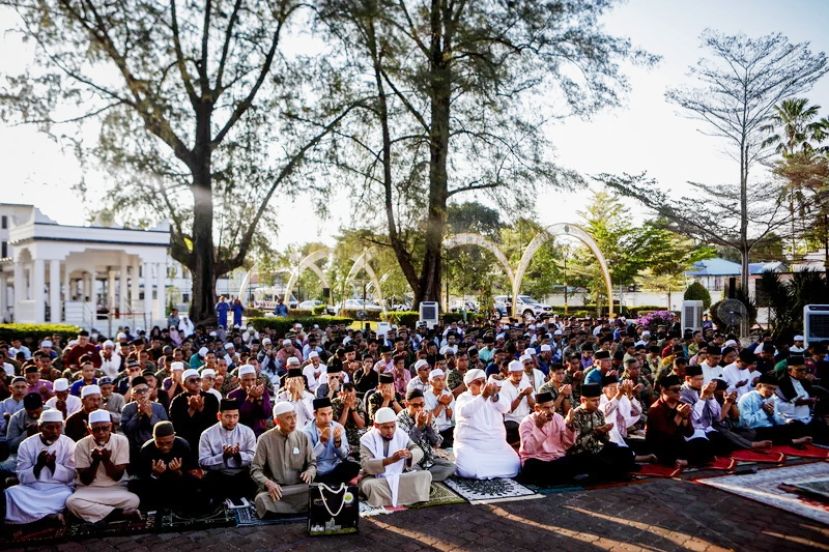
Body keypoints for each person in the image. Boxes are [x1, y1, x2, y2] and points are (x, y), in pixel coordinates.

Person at [65, 409, 139, 523]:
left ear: (111, 426)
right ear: (89, 430)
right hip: (89, 491)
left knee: (134, 500)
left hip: (115, 489)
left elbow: (117, 476)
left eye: (105, 428)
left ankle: (96, 514)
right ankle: (118, 514)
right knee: (71, 502)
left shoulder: (121, 441)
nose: (101, 432)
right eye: (96, 429)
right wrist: (95, 462)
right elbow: (86, 480)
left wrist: (105, 460)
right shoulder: (80, 445)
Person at [3, 410, 76, 525]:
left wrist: (53, 466)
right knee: (11, 492)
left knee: (68, 497)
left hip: (58, 490)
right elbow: (22, 477)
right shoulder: (26, 444)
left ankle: (33, 519)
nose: (55, 431)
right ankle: (46, 518)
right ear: (40, 427)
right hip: (32, 489)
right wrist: (39, 465)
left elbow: (72, 475)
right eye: (50, 428)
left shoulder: (69, 444)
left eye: (58, 427)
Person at [250, 402, 316, 518]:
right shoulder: (264, 439)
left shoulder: (303, 437)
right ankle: (299, 509)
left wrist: (310, 471)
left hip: (298, 490)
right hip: (276, 492)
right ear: (277, 421)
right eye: (288, 418)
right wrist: (268, 483)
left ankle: (280, 511)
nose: (293, 421)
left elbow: (312, 464)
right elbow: (255, 470)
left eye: (294, 416)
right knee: (261, 500)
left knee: (319, 490)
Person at [453, 369, 520, 479]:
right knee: (467, 470)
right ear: (469, 384)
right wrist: (483, 396)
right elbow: (465, 412)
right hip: (470, 444)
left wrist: (494, 396)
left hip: (495, 444)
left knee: (515, 464)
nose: (482, 385)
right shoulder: (464, 397)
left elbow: (506, 407)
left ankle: (487, 471)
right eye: (478, 382)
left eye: (484, 382)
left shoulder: (493, 396)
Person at [359, 407, 432, 507]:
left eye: (393, 426)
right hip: (375, 478)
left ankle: (394, 496)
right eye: (386, 427)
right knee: (370, 486)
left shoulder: (400, 434)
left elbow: (418, 451)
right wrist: (391, 460)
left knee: (426, 475)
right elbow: (366, 465)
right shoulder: (367, 440)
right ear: (376, 425)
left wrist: (410, 454)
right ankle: (411, 494)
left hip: (398, 475)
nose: (390, 430)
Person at [566, 383, 637, 481]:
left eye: (598, 400)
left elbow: (605, 440)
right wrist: (596, 433)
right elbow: (576, 443)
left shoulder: (599, 413)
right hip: (581, 453)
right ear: (583, 400)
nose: (597, 403)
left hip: (597, 449)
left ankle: (620, 473)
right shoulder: (576, 415)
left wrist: (605, 432)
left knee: (624, 451)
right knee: (599, 463)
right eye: (594, 400)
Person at [135, 421, 205, 512]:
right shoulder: (146, 449)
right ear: (153, 437)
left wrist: (178, 471)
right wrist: (155, 474)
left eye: (168, 443)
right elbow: (142, 477)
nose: (165, 447)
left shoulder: (183, 445)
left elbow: (192, 472)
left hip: (179, 484)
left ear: (173, 436)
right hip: (157, 487)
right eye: (160, 443)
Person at [198, 399, 258, 504]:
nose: (232, 421)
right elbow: (203, 462)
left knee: (256, 481)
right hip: (219, 475)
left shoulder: (248, 432)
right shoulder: (207, 434)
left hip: (242, 475)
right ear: (219, 416)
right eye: (228, 416)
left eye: (235, 416)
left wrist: (238, 456)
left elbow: (254, 457)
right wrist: (223, 457)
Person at [517, 391, 578, 486]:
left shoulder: (558, 418)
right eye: (546, 408)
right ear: (537, 408)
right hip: (536, 459)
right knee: (531, 467)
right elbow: (528, 449)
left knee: (574, 460)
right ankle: (557, 478)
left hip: (556, 458)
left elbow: (567, 445)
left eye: (552, 407)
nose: (551, 411)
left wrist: (569, 426)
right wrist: (538, 428)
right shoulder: (527, 422)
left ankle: (550, 478)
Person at [396, 389, 456, 481]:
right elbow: (405, 445)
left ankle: (422, 477)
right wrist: (418, 426)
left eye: (422, 405)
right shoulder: (400, 418)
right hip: (412, 460)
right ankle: (422, 476)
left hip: (428, 459)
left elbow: (437, 443)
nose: (420, 408)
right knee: (406, 468)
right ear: (407, 405)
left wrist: (428, 426)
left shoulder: (428, 414)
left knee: (451, 467)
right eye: (415, 405)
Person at [738, 372, 812, 446]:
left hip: (770, 428)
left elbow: (777, 420)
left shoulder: (771, 399)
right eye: (769, 388)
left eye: (774, 389)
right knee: (771, 433)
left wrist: (786, 421)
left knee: (797, 425)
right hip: (754, 430)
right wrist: (763, 412)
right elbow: (746, 423)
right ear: (759, 386)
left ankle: (794, 440)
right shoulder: (747, 398)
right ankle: (794, 442)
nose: (772, 392)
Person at [303, 397, 361, 485]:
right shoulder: (306, 432)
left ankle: (332, 484)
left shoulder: (338, 427)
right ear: (315, 414)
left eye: (329, 414)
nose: (327, 418)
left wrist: (338, 442)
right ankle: (333, 485)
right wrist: (322, 442)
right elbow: (308, 459)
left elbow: (344, 456)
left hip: (335, 467)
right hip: (317, 470)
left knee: (355, 467)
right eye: (323, 414)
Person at [646, 375, 695, 467]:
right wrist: (679, 415)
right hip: (661, 445)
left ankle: (685, 462)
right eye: (675, 390)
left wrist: (685, 418)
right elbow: (667, 434)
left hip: (678, 442)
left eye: (680, 389)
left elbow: (689, 433)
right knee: (669, 453)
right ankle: (687, 461)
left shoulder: (682, 405)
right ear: (664, 390)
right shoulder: (655, 409)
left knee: (703, 445)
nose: (679, 393)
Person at [120, 376, 169, 464]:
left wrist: (151, 415)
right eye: (138, 391)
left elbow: (165, 430)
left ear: (149, 391)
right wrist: (138, 414)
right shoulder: (127, 409)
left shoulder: (159, 407)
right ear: (133, 395)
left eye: (145, 390)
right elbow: (126, 430)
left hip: (156, 446)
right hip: (134, 448)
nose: (142, 393)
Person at [169, 368, 220, 451]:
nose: (196, 382)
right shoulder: (177, 401)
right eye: (192, 381)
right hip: (187, 441)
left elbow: (214, 421)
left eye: (198, 379)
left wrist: (201, 410)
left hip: (208, 440)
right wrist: (191, 410)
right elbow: (178, 425)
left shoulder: (211, 398)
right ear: (184, 383)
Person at [228, 364, 272, 436]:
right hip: (240, 434)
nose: (250, 383)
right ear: (239, 380)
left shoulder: (262, 392)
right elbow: (239, 417)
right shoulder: (232, 395)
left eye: (253, 379)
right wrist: (250, 398)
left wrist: (259, 398)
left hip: (259, 433)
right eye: (246, 380)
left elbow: (266, 413)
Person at [500, 360, 535, 445]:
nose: (519, 378)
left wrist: (528, 395)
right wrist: (521, 395)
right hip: (511, 419)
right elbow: (509, 409)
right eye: (516, 375)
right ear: (509, 374)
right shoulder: (503, 386)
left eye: (520, 375)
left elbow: (533, 406)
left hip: (526, 417)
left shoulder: (525, 383)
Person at [331, 383, 367, 456]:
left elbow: (361, 425)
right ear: (341, 394)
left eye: (353, 396)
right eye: (349, 396)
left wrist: (353, 408)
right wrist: (346, 408)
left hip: (357, 434)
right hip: (343, 436)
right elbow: (339, 428)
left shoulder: (358, 401)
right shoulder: (334, 404)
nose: (352, 399)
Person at [423, 368, 455, 448]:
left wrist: (447, 405)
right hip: (434, 431)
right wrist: (441, 404)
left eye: (442, 380)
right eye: (437, 380)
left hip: (448, 429)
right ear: (431, 382)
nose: (441, 382)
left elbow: (452, 418)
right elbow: (430, 419)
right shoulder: (425, 396)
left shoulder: (448, 394)